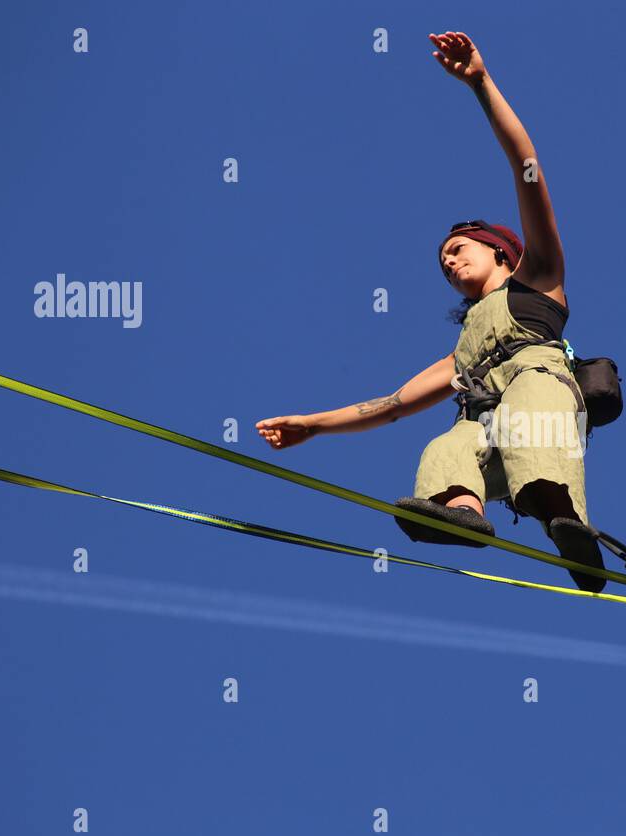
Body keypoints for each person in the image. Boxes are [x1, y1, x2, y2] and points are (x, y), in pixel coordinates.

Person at [256, 31, 606, 592]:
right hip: (489, 429)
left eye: (456, 250)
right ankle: (467, 514)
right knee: (448, 443)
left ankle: (563, 518)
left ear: (499, 249)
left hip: (540, 404)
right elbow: (391, 406)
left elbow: (527, 166)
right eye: (442, 262)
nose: (447, 262)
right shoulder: (464, 352)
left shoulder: (539, 279)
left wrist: (480, 83)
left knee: (529, 408)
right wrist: (311, 426)